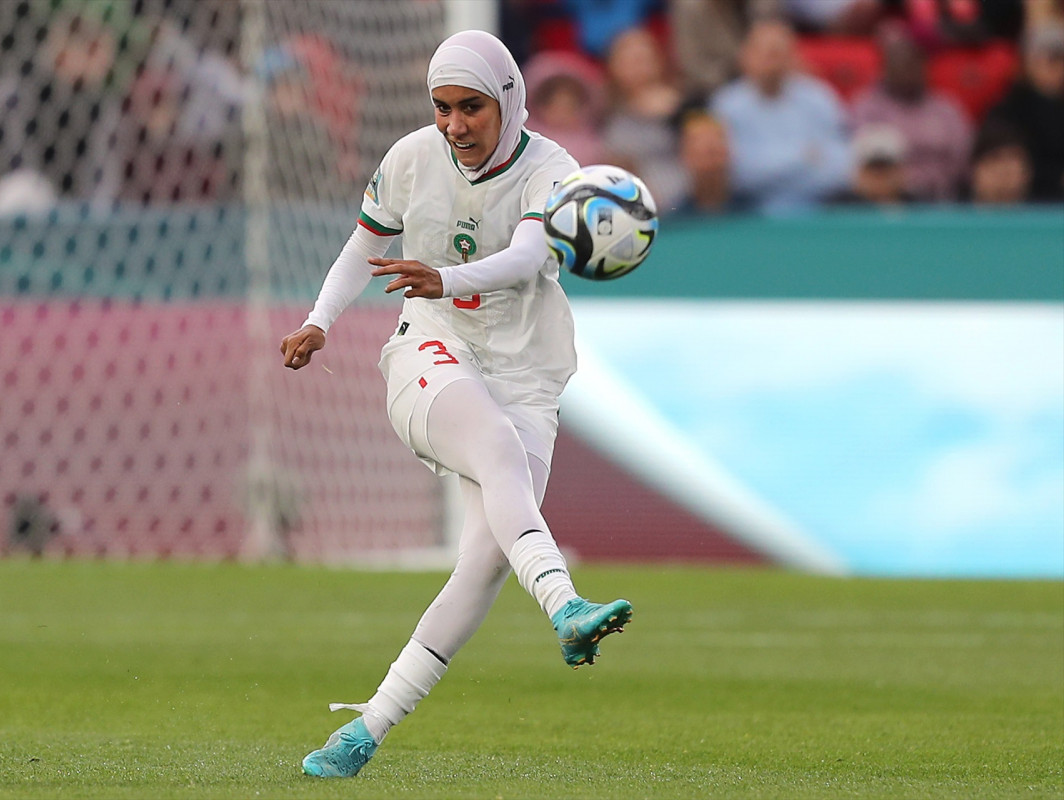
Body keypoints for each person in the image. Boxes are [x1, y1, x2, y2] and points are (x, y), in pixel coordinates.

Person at [280, 30, 633, 779]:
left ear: (508, 100)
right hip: (430, 352)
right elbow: (362, 246)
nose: (454, 124)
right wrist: (319, 321)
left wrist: (445, 273)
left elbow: (532, 256)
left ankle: (363, 733)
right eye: (442, 108)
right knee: (496, 449)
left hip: (527, 374)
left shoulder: (554, 171)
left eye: (470, 107)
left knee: (483, 562)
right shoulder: (411, 157)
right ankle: (566, 606)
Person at [710, 19, 853, 214]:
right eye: (766, 53)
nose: (772, 62)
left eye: (779, 53)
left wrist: (768, 165)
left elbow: (842, 167)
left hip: (820, 212)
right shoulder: (726, 105)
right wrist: (803, 158)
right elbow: (736, 176)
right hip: (746, 215)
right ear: (746, 56)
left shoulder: (819, 98)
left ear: (793, 56)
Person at [850, 23, 973, 202]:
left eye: (912, 60)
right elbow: (863, 165)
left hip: (943, 202)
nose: (905, 67)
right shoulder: (866, 108)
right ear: (884, 64)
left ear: (924, 64)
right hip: (885, 202)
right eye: (898, 59)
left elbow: (962, 162)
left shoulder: (946, 110)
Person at [602, 26, 688, 213]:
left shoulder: (687, 106)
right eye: (630, 61)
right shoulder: (604, 115)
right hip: (640, 209)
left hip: (690, 205)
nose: (638, 67)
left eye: (644, 59)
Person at [984, 21, 1064, 201]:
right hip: (1022, 204)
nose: (1060, 68)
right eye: (1053, 59)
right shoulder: (1008, 111)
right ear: (1028, 62)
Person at [672, 111, 752, 216]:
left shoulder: (753, 210)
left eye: (716, 152)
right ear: (685, 155)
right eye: (702, 153)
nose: (711, 163)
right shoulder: (676, 218)